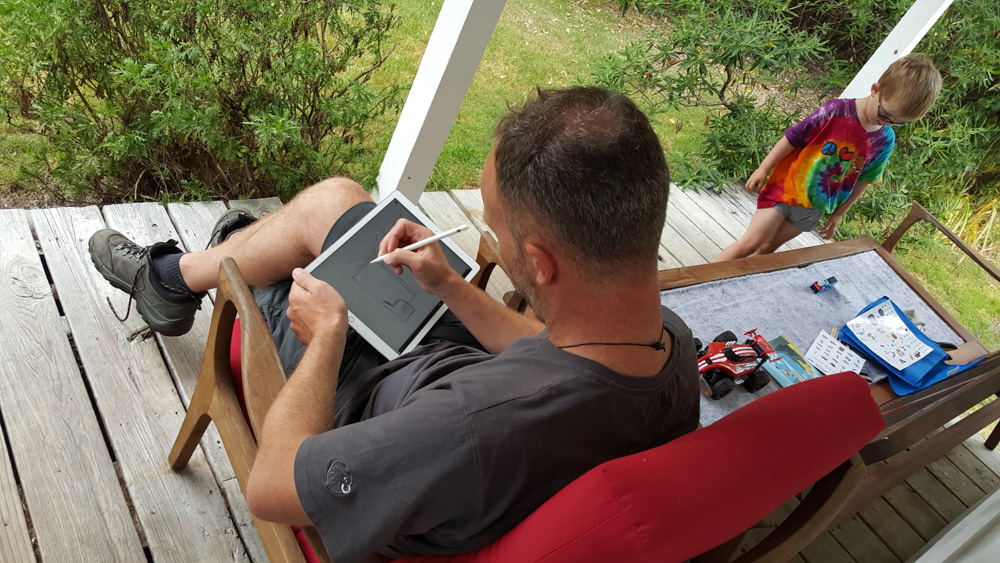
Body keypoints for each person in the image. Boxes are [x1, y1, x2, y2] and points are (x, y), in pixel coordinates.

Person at [88, 86, 700, 562]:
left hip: (369, 406)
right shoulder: (667, 343)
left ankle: (183, 272)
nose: (491, 234)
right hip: (446, 375)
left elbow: (271, 487)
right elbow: (548, 349)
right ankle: (182, 274)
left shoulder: (470, 427)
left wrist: (327, 340)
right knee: (338, 201)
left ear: (540, 263)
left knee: (271, 268)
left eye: (494, 225)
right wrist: (449, 285)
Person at [714, 54, 942, 262]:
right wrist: (764, 167)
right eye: (885, 114)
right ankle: (698, 282)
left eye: (897, 122)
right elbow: (793, 137)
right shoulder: (836, 111)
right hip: (786, 191)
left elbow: (865, 179)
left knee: (766, 250)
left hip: (815, 208)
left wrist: (839, 214)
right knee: (750, 243)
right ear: (875, 90)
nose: (886, 122)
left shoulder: (885, 140)